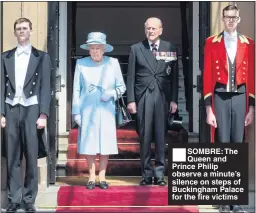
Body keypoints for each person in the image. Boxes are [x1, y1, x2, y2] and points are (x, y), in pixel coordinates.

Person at [203, 5, 254, 213]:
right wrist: (208, 108)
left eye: (234, 17)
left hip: (241, 97)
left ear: (239, 19)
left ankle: (236, 200)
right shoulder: (211, 42)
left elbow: (252, 76)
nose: (230, 21)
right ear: (223, 19)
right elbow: (207, 74)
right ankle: (222, 199)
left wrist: (252, 108)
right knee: (222, 147)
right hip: (220, 97)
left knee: (238, 147)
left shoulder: (249, 43)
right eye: (227, 17)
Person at [1, 18, 51, 213]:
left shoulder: (42, 57)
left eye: (24, 28)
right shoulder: (5, 57)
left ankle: (29, 199)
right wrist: (1, 113)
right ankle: (14, 199)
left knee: (31, 156)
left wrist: (44, 114)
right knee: (12, 157)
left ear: (30, 31)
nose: (21, 31)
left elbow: (46, 87)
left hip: (32, 110)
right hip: (11, 108)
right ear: (15, 33)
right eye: (18, 29)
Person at [126, 17, 178, 186]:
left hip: (162, 96)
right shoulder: (136, 49)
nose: (151, 31)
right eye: (148, 28)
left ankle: (160, 174)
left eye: (154, 28)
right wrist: (131, 100)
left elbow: (175, 77)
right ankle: (147, 174)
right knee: (145, 136)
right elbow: (131, 76)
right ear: (145, 29)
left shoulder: (169, 48)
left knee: (161, 137)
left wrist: (174, 100)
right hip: (143, 97)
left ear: (161, 30)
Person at [72, 32, 126, 190]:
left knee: (105, 142)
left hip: (106, 109)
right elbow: (76, 89)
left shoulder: (113, 63)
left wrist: (111, 94)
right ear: (88, 49)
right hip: (86, 108)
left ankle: (102, 176)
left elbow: (121, 87)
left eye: (98, 48)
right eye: (92, 48)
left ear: (104, 49)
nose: (95, 51)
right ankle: (91, 175)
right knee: (89, 142)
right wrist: (76, 112)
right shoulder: (81, 64)